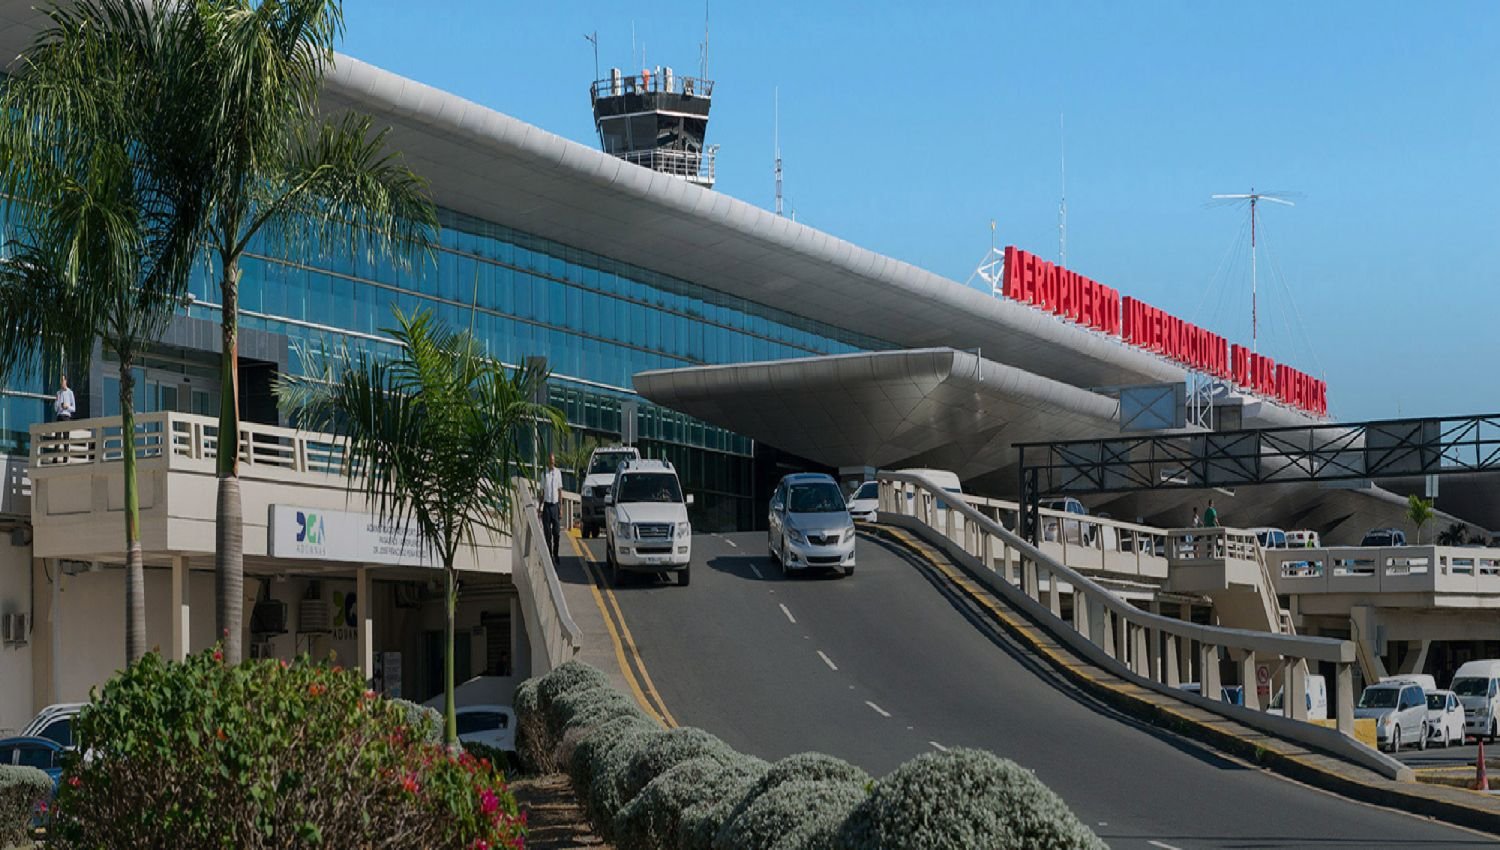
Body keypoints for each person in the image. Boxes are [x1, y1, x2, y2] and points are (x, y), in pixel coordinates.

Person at [540, 453, 563, 562]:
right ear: (548, 462)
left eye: (553, 461)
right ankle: (549, 555)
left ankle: (556, 553)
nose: (552, 463)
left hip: (555, 506)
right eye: (550, 461)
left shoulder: (558, 473)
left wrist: (561, 508)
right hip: (547, 506)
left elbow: (560, 491)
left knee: (556, 533)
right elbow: (542, 492)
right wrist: (539, 507)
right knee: (547, 533)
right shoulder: (544, 473)